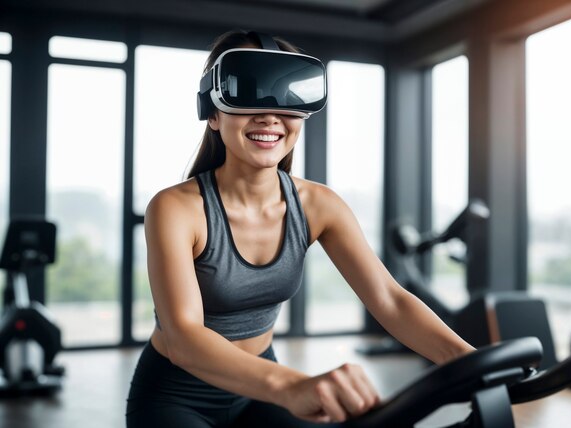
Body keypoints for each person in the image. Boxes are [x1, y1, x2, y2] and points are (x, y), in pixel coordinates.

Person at [126, 29, 475, 428]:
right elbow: (183, 337)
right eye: (249, 94)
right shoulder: (175, 208)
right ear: (213, 113)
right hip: (175, 395)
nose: (271, 115)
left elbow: (390, 301)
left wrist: (468, 360)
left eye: (288, 98)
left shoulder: (319, 205)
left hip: (259, 388)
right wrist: (291, 386)